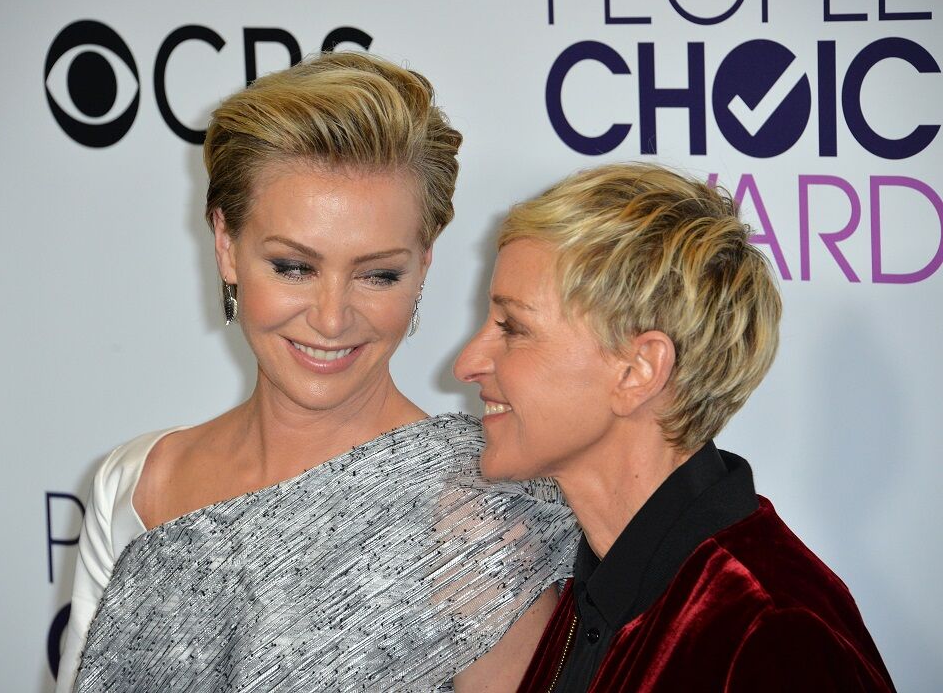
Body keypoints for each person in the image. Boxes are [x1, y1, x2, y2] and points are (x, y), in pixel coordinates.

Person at [56, 51, 578, 693]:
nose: (332, 319)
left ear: (423, 266)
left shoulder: (479, 518)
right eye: (293, 267)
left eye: (377, 274)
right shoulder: (134, 484)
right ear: (225, 245)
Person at [454, 162, 896, 692]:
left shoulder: (770, 632)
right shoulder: (598, 591)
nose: (468, 362)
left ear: (637, 371)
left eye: (513, 328)